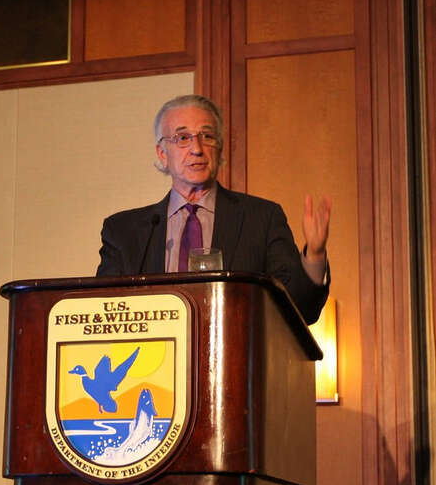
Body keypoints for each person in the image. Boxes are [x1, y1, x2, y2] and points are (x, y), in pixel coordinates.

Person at [96, 94, 331, 324]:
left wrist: (315, 255)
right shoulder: (123, 232)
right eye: (183, 138)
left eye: (207, 136)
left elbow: (299, 310)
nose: (196, 148)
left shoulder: (261, 218)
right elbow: (104, 315)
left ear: (220, 149)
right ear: (162, 154)